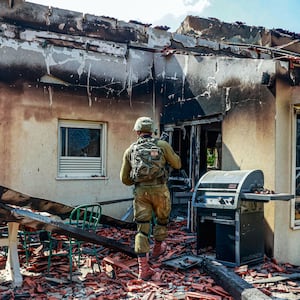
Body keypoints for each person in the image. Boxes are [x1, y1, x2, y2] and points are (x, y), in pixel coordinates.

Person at [120, 116, 181, 280]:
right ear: (153, 131)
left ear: (137, 131)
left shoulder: (130, 150)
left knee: (142, 228)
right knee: (162, 220)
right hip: (160, 190)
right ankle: (158, 248)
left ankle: (143, 268)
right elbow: (177, 164)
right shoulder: (162, 145)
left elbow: (124, 179)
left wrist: (139, 180)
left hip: (141, 192)